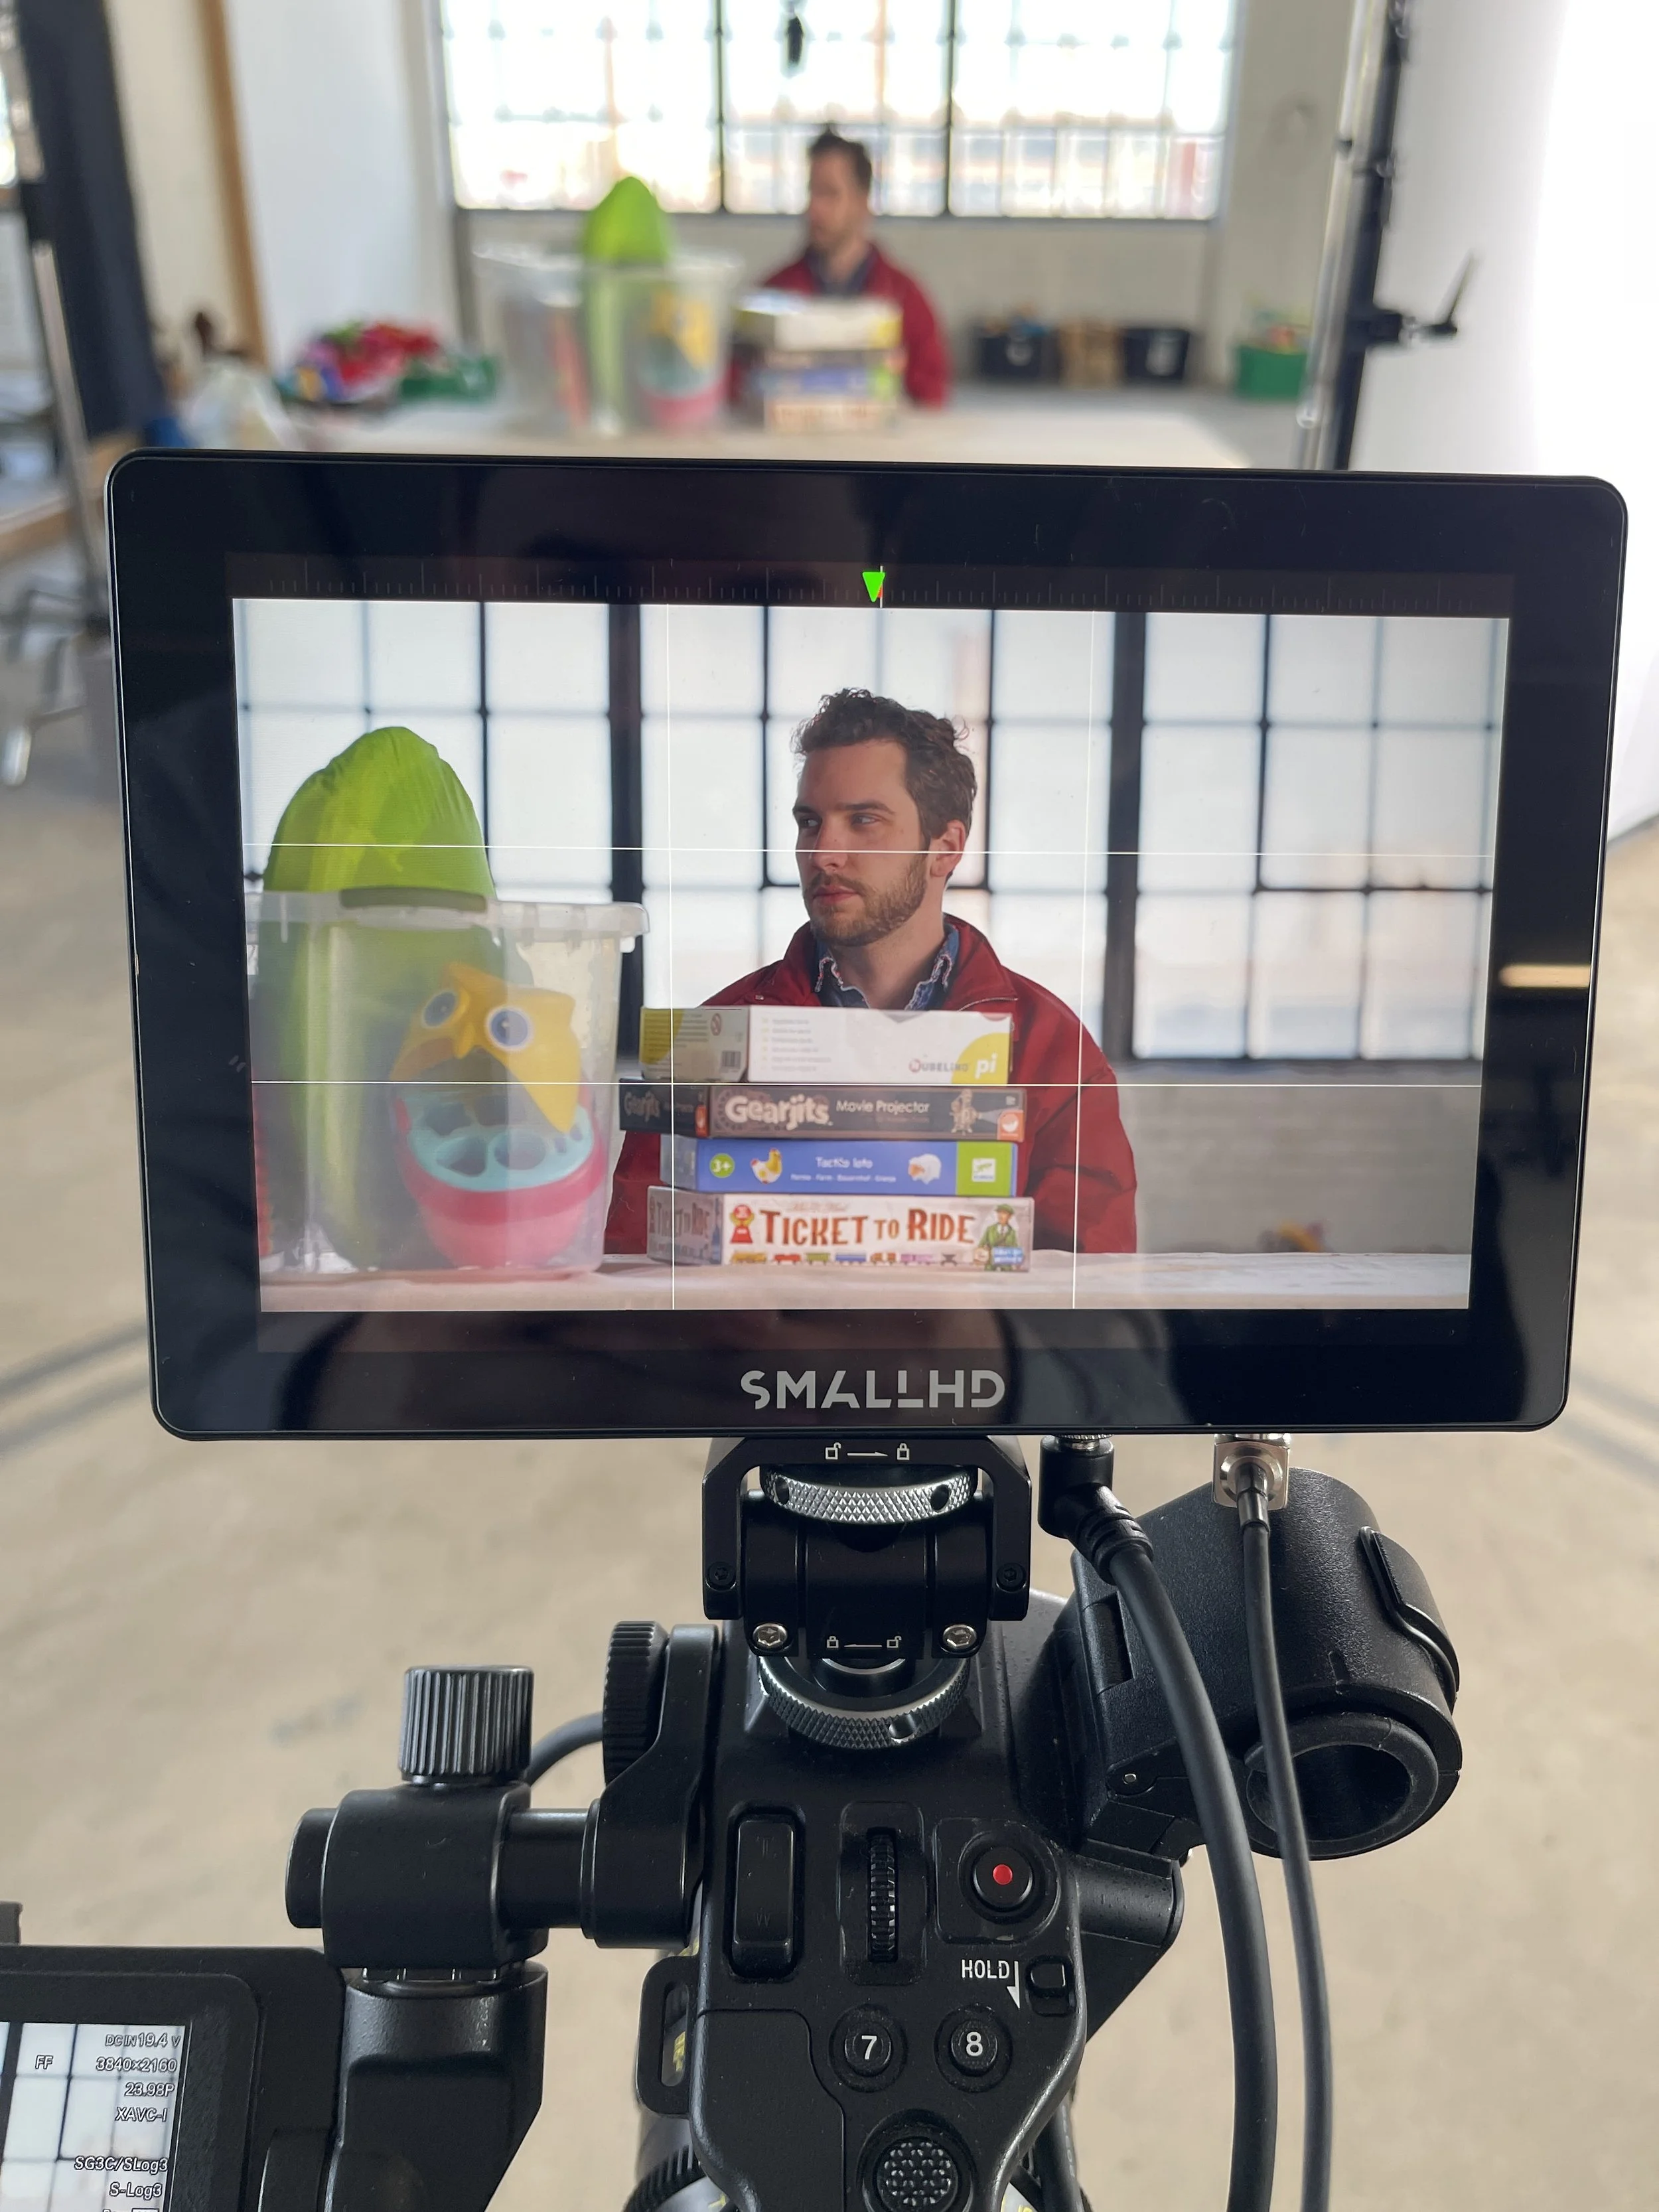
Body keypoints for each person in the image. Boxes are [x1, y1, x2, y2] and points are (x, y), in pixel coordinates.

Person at [606, 689, 1137, 1254]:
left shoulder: (1052, 1049)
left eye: (863, 820)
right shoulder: (711, 1040)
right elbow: (637, 1267)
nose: (823, 854)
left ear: (945, 848)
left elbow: (1090, 1287)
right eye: (810, 822)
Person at [760, 127, 951, 407]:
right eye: (812, 192)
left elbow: (932, 396)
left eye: (830, 193)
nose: (814, 208)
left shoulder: (906, 300)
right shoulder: (773, 296)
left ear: (863, 202)